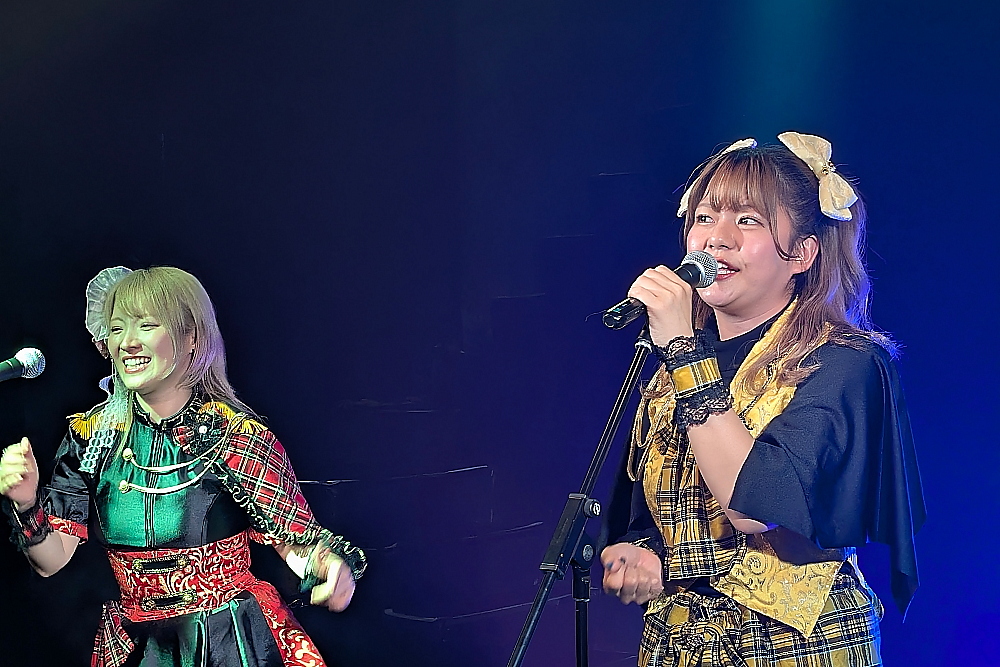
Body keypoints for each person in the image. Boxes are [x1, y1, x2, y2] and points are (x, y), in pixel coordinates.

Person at [600, 133, 924, 666]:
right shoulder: (676, 364)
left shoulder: (845, 364)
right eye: (704, 218)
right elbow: (660, 510)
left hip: (793, 644)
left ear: (802, 253)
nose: (716, 238)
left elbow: (755, 508)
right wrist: (641, 552)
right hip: (679, 642)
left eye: (747, 220)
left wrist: (682, 352)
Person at [0, 266, 366, 667]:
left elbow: (293, 538)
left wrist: (329, 566)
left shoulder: (234, 435)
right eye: (117, 328)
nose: (127, 342)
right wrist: (26, 504)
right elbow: (51, 561)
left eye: (146, 325)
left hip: (228, 640)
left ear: (191, 337)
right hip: (140, 647)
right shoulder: (91, 437)